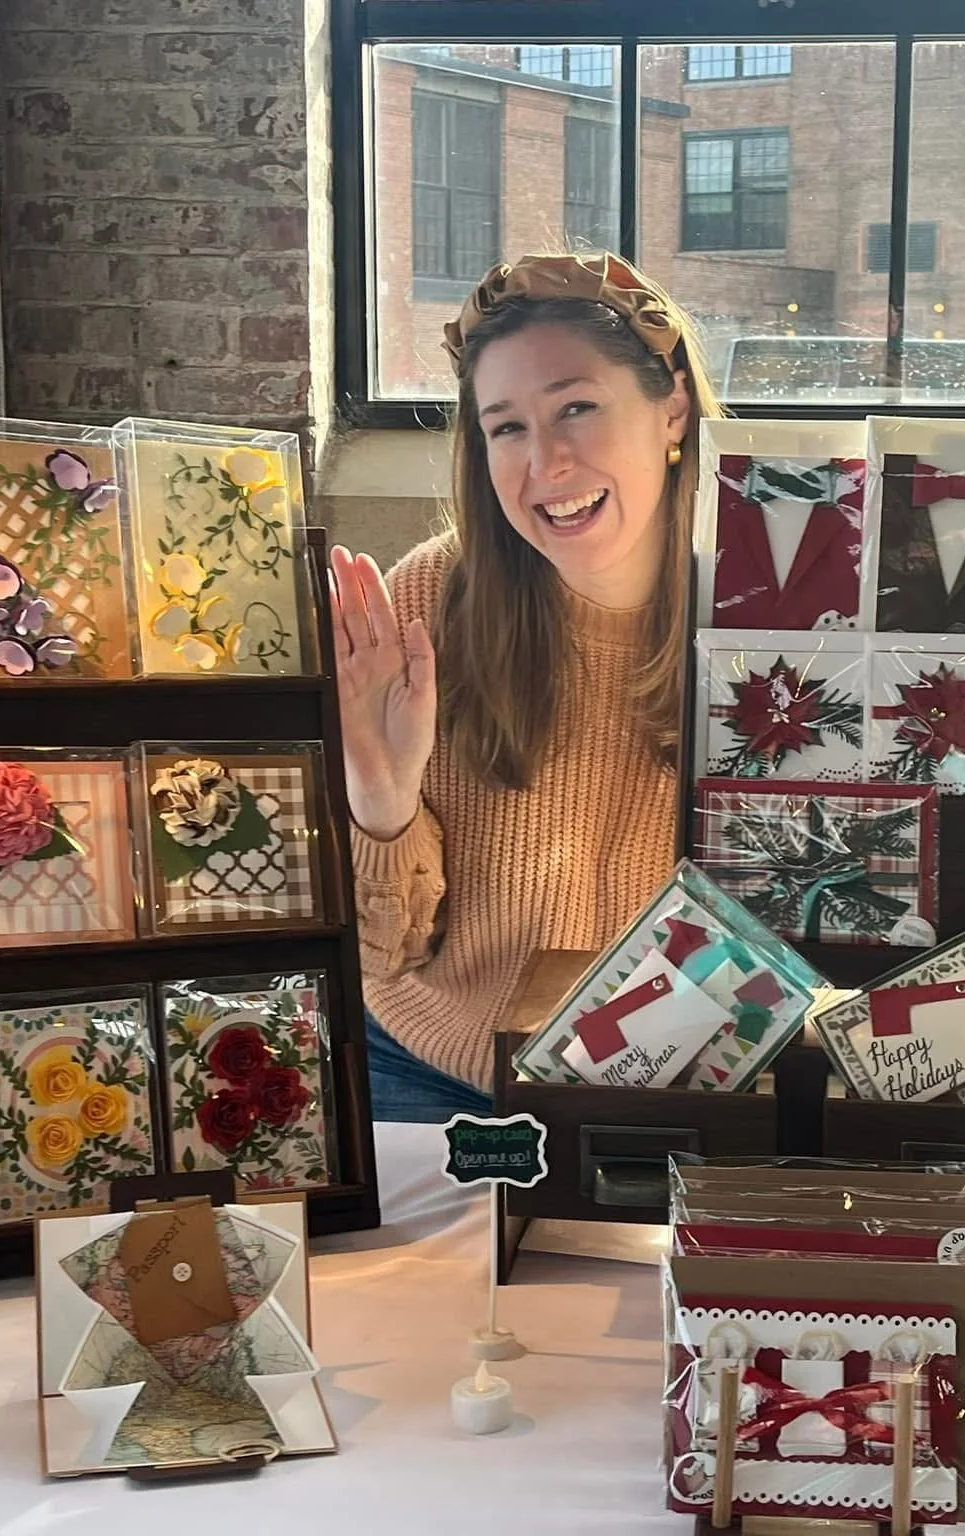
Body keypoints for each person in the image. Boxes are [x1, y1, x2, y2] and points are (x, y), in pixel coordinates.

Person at [331, 253, 722, 1121]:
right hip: (432, 1071)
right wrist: (380, 801)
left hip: (681, 1091)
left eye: (576, 408)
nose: (544, 462)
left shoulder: (770, 619)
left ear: (673, 411)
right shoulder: (427, 603)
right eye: (505, 427)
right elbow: (381, 959)